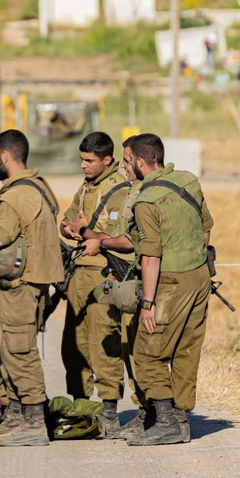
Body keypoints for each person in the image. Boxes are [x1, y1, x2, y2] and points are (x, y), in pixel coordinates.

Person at [0, 128, 62, 447]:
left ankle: (33, 422)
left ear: (6, 156)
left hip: (21, 285)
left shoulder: (15, 194)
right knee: (15, 348)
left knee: (19, 352)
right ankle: (19, 416)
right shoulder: (40, 186)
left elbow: (0, 238)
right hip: (38, 280)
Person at [121, 133, 214, 446]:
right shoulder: (188, 182)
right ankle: (182, 419)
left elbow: (151, 255)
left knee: (148, 349)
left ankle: (165, 420)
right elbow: (206, 228)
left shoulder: (146, 200)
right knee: (188, 349)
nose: (125, 166)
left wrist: (148, 303)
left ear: (141, 161)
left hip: (171, 280)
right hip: (200, 277)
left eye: (126, 160)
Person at [57, 131, 134, 435]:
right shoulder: (86, 186)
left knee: (104, 339)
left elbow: (122, 237)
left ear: (107, 160)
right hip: (79, 272)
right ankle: (81, 404)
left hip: (106, 273)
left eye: (89, 161)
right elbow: (66, 222)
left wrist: (88, 232)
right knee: (74, 343)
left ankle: (110, 410)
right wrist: (68, 228)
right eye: (81, 160)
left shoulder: (121, 189)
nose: (83, 166)